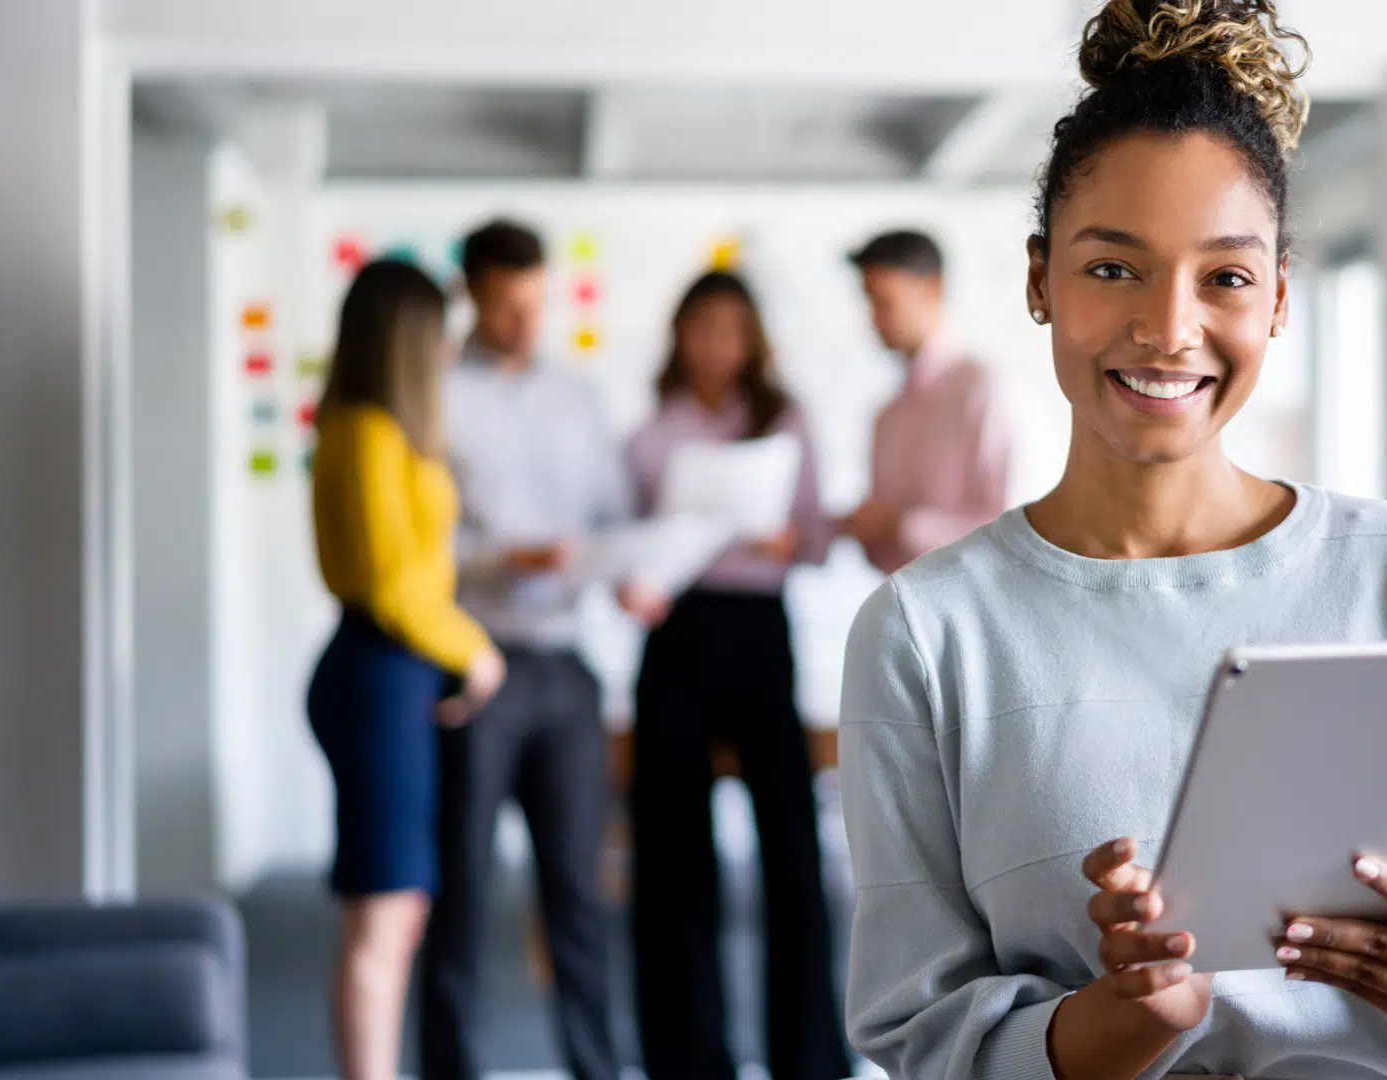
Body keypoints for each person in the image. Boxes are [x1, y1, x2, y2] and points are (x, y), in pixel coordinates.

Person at [837, 3, 1387, 1080]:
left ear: (1280, 297)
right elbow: (918, 1033)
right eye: (1113, 268)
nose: (1169, 326)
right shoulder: (926, 633)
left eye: (1226, 277)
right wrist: (1127, 1024)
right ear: (1039, 279)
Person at [621, 270, 849, 1080]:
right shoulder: (651, 434)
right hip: (677, 637)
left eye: (732, 328)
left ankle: (811, 1059)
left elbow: (819, 539)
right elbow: (624, 545)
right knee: (673, 859)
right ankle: (686, 1061)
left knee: (791, 852)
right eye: (702, 327)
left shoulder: (786, 422)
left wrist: (792, 542)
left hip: (758, 634)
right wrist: (631, 575)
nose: (717, 343)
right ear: (679, 335)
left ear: (752, 339)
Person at [421, 219, 633, 1080]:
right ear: (471, 294)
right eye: (505, 305)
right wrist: (498, 559)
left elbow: (611, 516)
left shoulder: (579, 395)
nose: (522, 321)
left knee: (579, 897)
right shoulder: (434, 393)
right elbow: (420, 543)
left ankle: (597, 1070)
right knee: (461, 894)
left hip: (567, 669)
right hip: (476, 664)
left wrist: (626, 569)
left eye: (533, 303)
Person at [307, 259, 506, 1080]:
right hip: (379, 670)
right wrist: (475, 651)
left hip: (398, 675)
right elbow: (392, 585)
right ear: (409, 337)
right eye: (444, 329)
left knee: (401, 912)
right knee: (382, 918)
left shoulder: (384, 429)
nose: (454, 346)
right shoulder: (364, 432)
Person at [840, 229, 1012, 574]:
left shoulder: (984, 390)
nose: (872, 319)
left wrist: (903, 527)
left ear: (933, 289)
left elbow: (1010, 531)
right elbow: (882, 554)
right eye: (868, 301)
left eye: (883, 301)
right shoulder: (887, 415)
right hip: (901, 612)